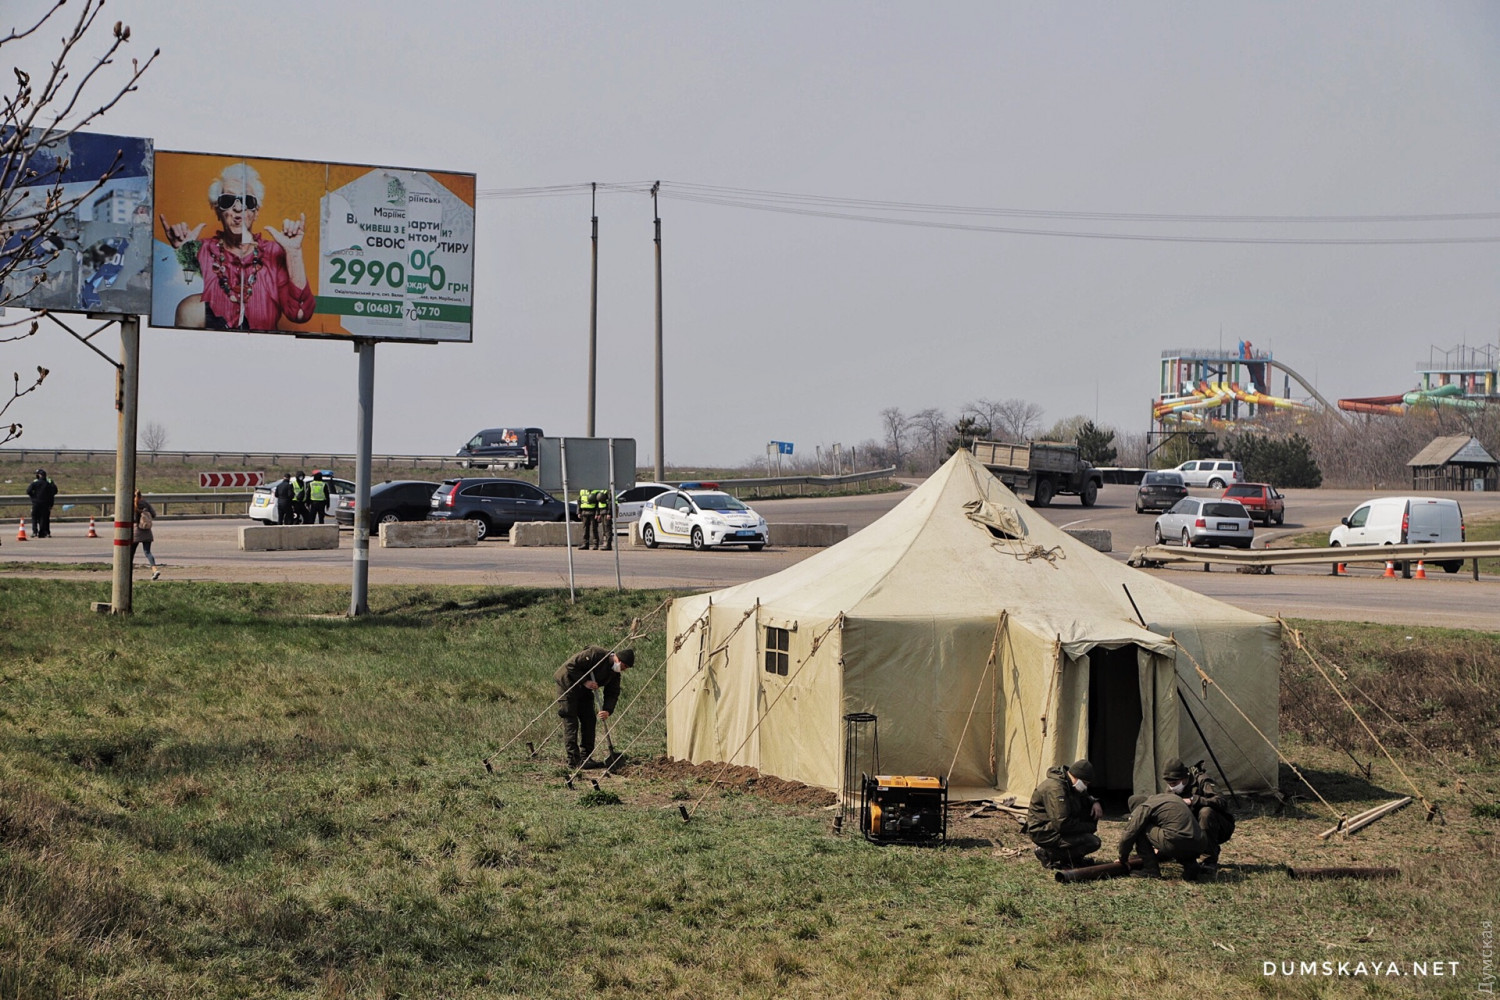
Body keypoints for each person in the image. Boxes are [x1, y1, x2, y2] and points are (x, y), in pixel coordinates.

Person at [160, 161, 316, 332]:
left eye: (247, 201)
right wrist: (182, 254)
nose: (238, 209)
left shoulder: (274, 253)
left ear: (256, 212)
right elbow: (179, 304)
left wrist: (294, 253)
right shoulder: (200, 250)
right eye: (227, 200)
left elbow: (299, 314)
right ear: (218, 210)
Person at [554, 645, 634, 768]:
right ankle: (574, 760)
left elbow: (613, 693)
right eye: (624, 666)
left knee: (589, 720)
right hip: (568, 685)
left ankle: (586, 758)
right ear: (619, 660)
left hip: (585, 691)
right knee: (571, 721)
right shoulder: (596, 654)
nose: (624, 670)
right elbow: (571, 665)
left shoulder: (614, 674)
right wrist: (585, 681)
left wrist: (607, 710)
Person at [1024, 759, 1104, 869]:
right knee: (1092, 842)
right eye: (1085, 783)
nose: (1085, 787)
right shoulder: (1056, 789)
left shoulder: (1068, 783)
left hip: (1053, 826)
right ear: (1077, 777)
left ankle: (1072, 859)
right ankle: (1048, 854)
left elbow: (1084, 795)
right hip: (1043, 831)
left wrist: (1094, 802)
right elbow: (1062, 824)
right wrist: (1089, 827)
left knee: (1087, 815)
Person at [1163, 757, 1235, 869]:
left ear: (1184, 777)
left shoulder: (1202, 780)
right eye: (1169, 784)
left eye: (1174, 783)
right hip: (1192, 826)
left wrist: (1194, 800)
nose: (1172, 786)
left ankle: (1209, 860)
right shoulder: (1172, 788)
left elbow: (1221, 801)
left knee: (1206, 812)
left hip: (1218, 826)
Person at [1117, 791, 1206, 880]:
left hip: (1176, 842)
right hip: (1200, 843)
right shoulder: (1170, 798)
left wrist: (1123, 858)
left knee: (1140, 827)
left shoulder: (1145, 806)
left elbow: (1128, 835)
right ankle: (1190, 865)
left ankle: (1150, 869)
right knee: (1179, 835)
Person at [131, 489, 160, 580]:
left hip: (136, 530)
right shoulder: (145, 503)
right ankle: (155, 570)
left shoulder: (131, 504)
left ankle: (127, 572)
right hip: (146, 530)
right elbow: (154, 514)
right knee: (147, 552)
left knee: (131, 553)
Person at [26, 468, 58, 538]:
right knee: (43, 518)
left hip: (36, 503)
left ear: (39, 475)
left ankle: (35, 532)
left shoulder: (35, 482)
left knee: (34, 517)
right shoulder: (48, 483)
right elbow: (53, 492)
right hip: (45, 503)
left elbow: (28, 491)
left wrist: (33, 497)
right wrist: (50, 503)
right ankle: (42, 532)